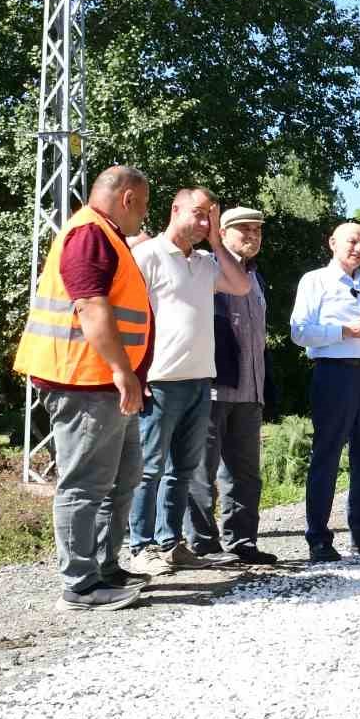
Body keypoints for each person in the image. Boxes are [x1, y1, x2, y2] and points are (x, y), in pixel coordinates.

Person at [13, 165, 154, 611]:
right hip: (85, 379)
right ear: (128, 198)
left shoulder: (106, 234)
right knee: (85, 484)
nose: (144, 217)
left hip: (106, 382)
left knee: (123, 477)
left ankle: (106, 568)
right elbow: (91, 307)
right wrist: (122, 370)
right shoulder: (89, 234)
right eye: (145, 206)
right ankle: (79, 585)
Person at [123, 187, 251, 577]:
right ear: (174, 210)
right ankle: (140, 546)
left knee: (182, 469)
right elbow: (126, 317)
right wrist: (132, 372)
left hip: (199, 379)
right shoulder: (146, 256)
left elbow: (241, 286)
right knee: (149, 468)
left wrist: (216, 238)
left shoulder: (207, 262)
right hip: (159, 380)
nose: (202, 222)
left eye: (209, 216)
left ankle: (170, 543)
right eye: (196, 214)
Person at [289, 221, 360, 561]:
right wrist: (345, 331)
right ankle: (319, 539)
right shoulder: (315, 281)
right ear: (333, 243)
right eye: (352, 241)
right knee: (327, 456)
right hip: (334, 374)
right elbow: (299, 332)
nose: (359, 247)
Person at [189, 205, 280, 566]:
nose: (252, 236)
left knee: (245, 474)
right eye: (243, 230)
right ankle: (202, 545)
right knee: (201, 470)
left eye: (257, 231)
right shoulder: (204, 268)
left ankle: (242, 542)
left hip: (250, 391)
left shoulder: (257, 278)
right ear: (222, 234)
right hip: (212, 388)